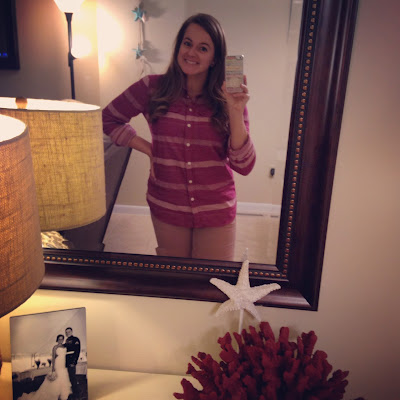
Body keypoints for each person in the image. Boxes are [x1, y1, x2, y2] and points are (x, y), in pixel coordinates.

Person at [102, 13, 256, 261]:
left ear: (215, 59)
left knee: (213, 278)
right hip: (167, 203)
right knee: (175, 276)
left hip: (215, 208)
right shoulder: (151, 87)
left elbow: (244, 165)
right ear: (178, 46)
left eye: (203, 48)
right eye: (187, 43)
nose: (191, 52)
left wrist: (236, 111)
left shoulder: (228, 98)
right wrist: (149, 149)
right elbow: (108, 117)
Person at [18, 335, 72, 400]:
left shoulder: (64, 346)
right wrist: (53, 369)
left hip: (63, 364)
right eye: (59, 339)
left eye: (62, 339)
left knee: (63, 377)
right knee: (56, 378)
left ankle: (62, 394)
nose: (60, 340)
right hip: (58, 364)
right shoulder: (55, 347)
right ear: (57, 340)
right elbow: (53, 358)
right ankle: (54, 394)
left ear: (63, 340)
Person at [65, 327, 81, 400]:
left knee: (73, 378)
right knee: (70, 377)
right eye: (66, 332)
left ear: (72, 332)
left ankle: (77, 393)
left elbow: (77, 351)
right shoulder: (67, 340)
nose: (67, 333)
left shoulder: (75, 339)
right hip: (67, 361)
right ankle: (74, 391)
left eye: (69, 332)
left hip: (72, 361)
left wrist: (74, 362)